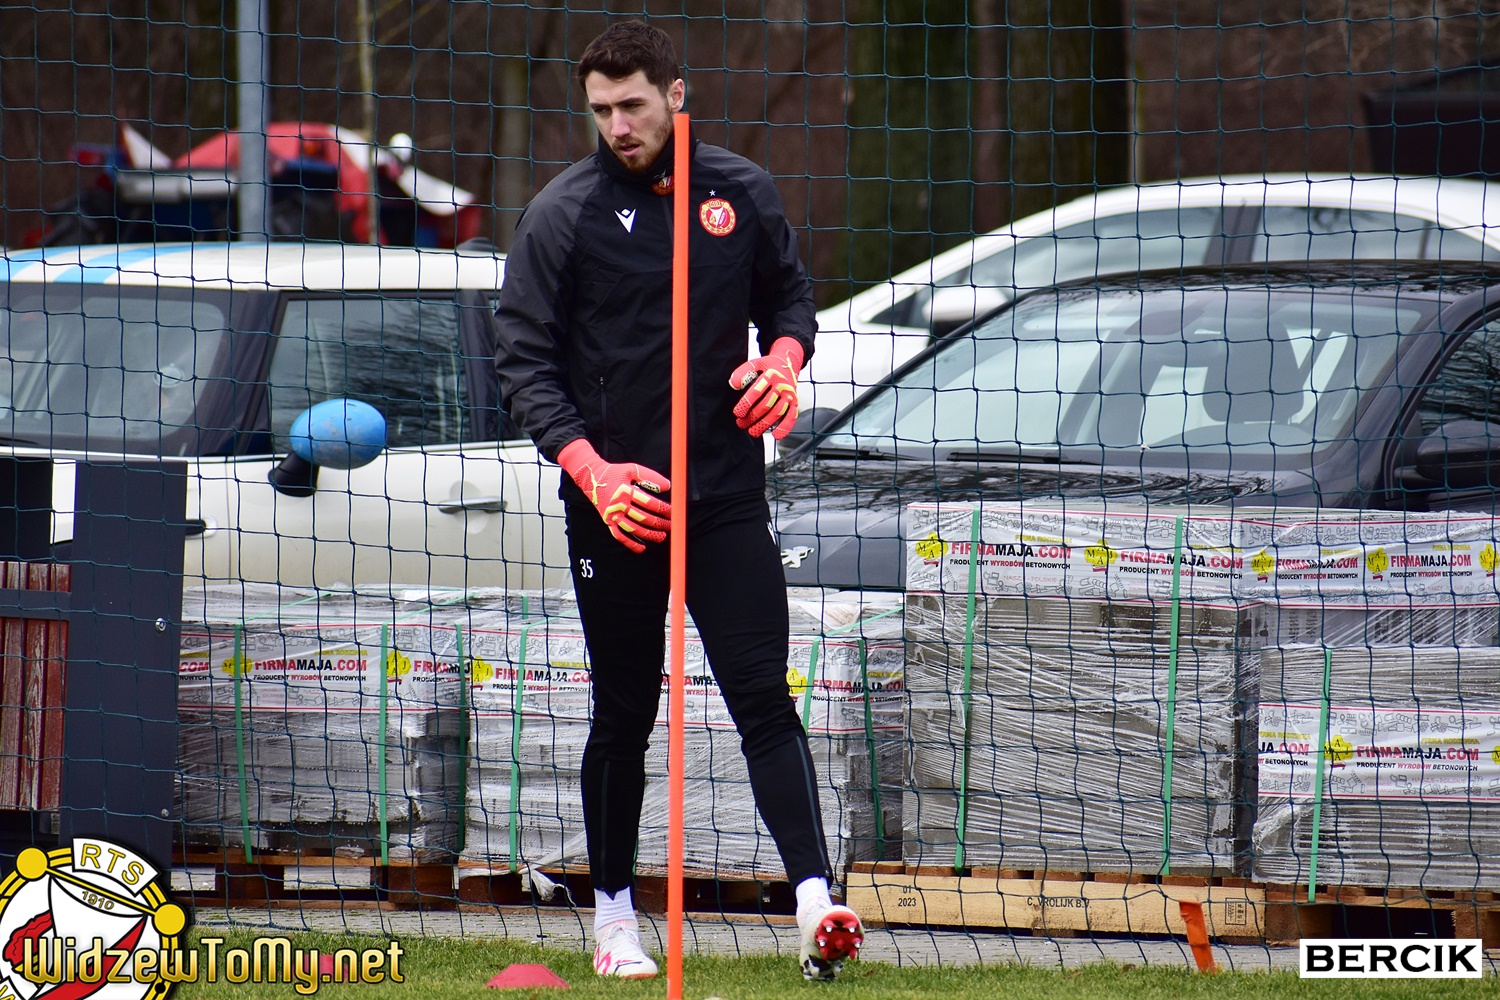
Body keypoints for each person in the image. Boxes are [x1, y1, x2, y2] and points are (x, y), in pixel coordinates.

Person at [493, 18, 864, 984]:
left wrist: (783, 362)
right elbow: (523, 365)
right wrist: (594, 472)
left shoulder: (740, 191)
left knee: (763, 697)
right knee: (623, 711)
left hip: (726, 494)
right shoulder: (560, 215)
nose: (617, 126)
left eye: (632, 105)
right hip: (617, 506)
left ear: (675, 96)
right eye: (601, 110)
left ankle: (816, 904)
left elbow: (791, 302)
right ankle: (615, 919)